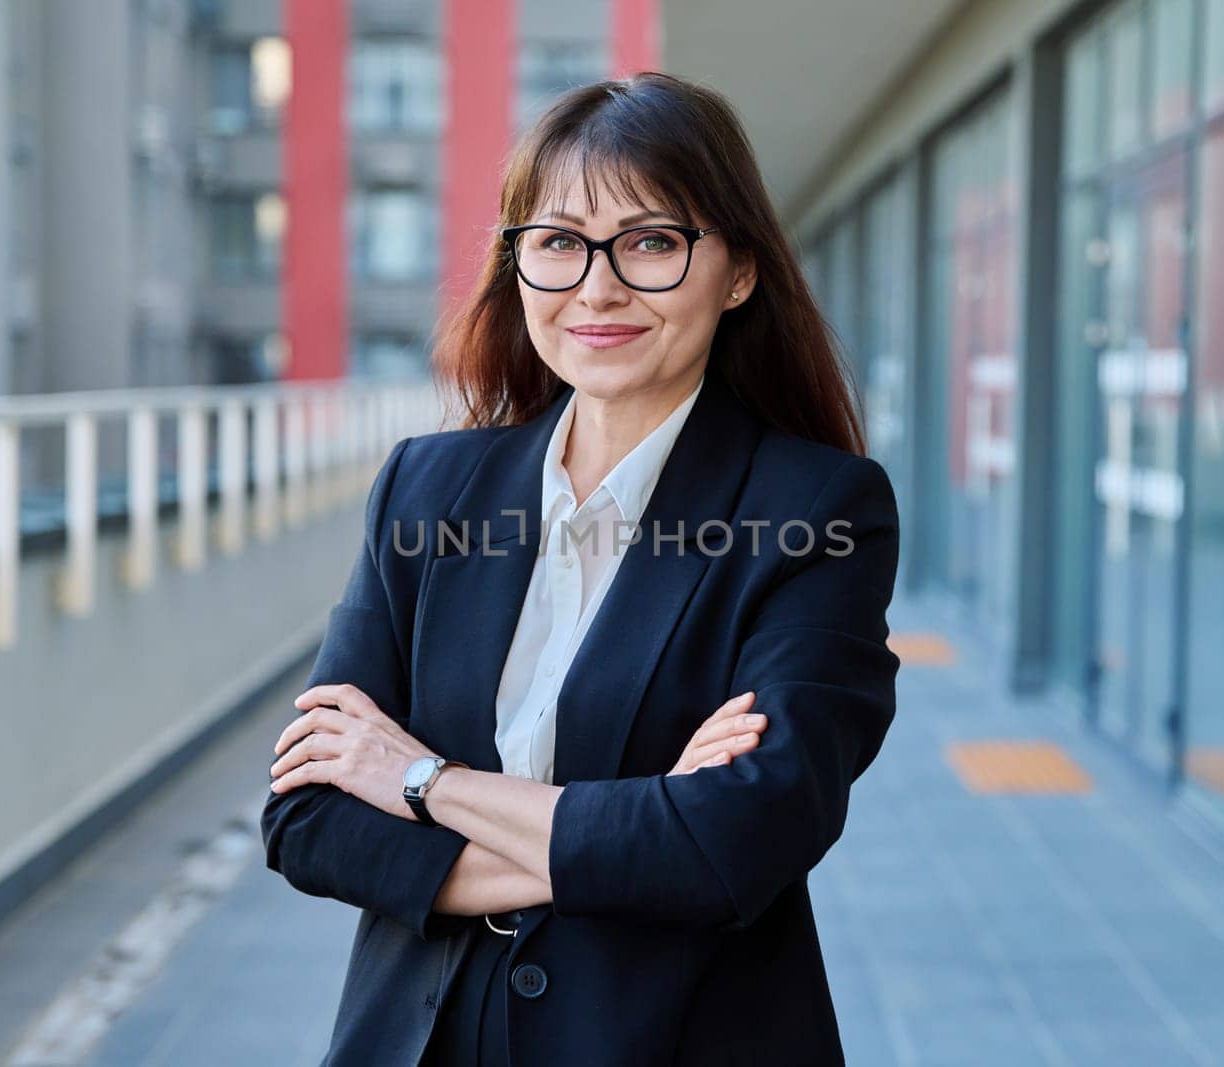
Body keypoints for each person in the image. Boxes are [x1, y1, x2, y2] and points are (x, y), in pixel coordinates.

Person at [260, 70, 901, 1067]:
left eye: (651, 241)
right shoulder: (428, 491)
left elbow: (735, 843)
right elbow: (305, 816)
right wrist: (633, 834)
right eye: (556, 243)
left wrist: (418, 779)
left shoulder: (814, 513)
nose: (596, 287)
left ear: (736, 272)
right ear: (518, 267)